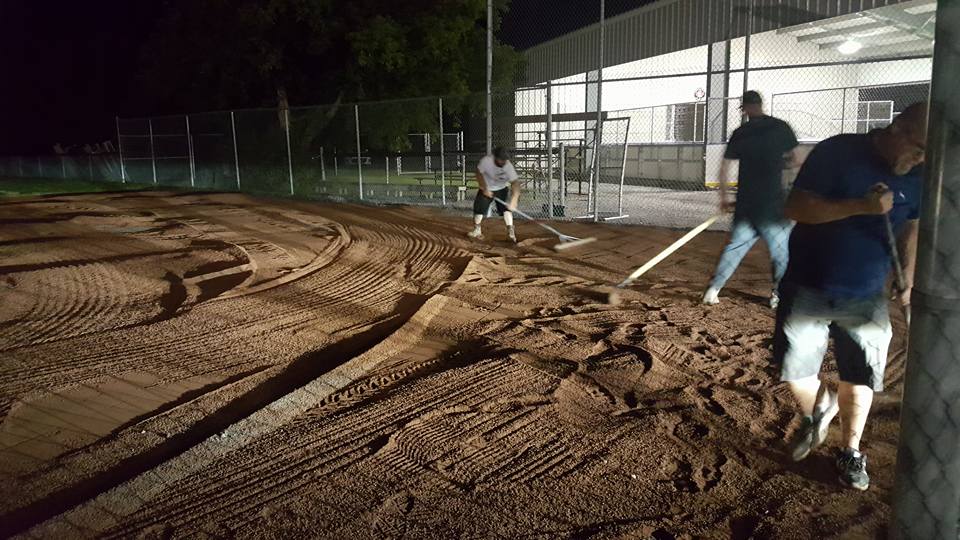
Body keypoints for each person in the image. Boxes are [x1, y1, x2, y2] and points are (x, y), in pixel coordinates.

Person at [775, 102, 927, 491]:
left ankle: (851, 450)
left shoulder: (919, 175)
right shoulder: (838, 150)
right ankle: (820, 406)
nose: (920, 159)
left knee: (859, 375)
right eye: (918, 149)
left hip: (866, 292)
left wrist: (907, 276)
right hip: (807, 283)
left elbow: (910, 226)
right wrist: (860, 206)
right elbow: (796, 207)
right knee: (795, 371)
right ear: (897, 129)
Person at [702, 90, 801, 309]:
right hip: (773, 205)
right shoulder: (780, 127)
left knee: (735, 247)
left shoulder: (741, 133)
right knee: (781, 251)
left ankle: (713, 290)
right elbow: (797, 160)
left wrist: (723, 199)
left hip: (747, 204)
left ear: (744, 109)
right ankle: (778, 295)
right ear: (761, 104)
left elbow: (724, 169)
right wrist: (780, 163)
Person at [468, 146, 521, 243]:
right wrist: (484, 187)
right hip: (486, 188)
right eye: (502, 159)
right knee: (479, 209)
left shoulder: (508, 166)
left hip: (501, 188)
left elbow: (515, 183)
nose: (504, 162)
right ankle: (477, 230)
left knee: (506, 209)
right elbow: (478, 173)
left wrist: (514, 201)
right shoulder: (486, 161)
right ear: (495, 158)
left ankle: (511, 233)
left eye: (505, 159)